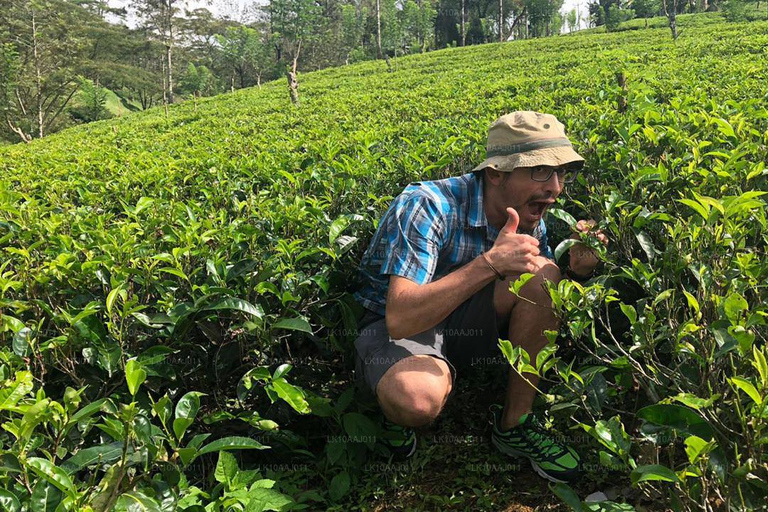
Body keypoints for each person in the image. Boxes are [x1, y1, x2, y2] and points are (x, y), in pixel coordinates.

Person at [352, 111, 607, 484]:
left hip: (463, 320)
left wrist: (576, 272)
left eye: (561, 173)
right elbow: (401, 317)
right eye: (540, 171)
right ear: (496, 173)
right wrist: (489, 264)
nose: (555, 187)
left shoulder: (531, 214)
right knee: (416, 399)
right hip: (397, 327)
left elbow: (541, 299)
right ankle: (388, 401)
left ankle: (515, 425)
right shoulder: (428, 204)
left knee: (545, 275)